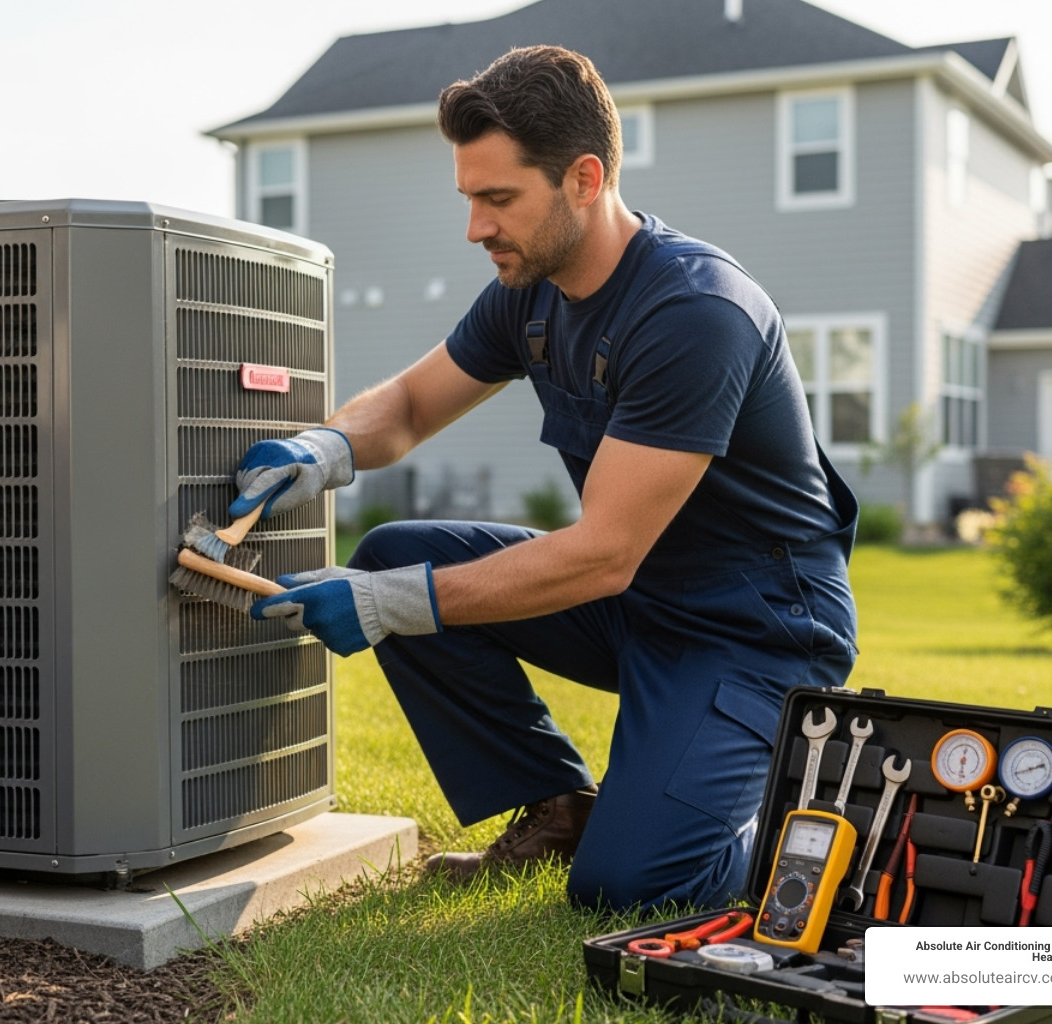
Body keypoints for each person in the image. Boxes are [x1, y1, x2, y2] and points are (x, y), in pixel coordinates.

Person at [229, 45, 859, 912]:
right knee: (389, 554)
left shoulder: (694, 313)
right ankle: (559, 807)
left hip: (752, 631)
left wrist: (389, 607)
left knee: (631, 884)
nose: (477, 227)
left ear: (584, 179)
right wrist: (320, 451)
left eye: (499, 200)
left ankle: (820, 822)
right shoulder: (533, 289)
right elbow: (411, 405)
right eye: (469, 199)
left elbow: (600, 554)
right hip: (637, 603)